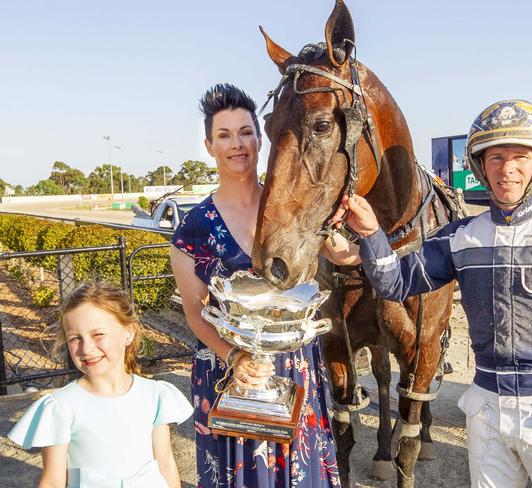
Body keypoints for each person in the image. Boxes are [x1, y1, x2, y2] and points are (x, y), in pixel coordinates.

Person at [331, 100, 532, 487]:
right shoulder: (460, 238)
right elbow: (393, 283)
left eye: (520, 156)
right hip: (485, 411)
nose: (507, 169)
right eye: (495, 157)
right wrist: (369, 234)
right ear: (480, 166)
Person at [169, 83, 341, 487]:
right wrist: (235, 359)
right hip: (230, 371)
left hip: (294, 366)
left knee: (301, 471)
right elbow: (195, 313)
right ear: (209, 146)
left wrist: (357, 236)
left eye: (245, 132)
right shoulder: (192, 229)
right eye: (224, 135)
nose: (237, 144)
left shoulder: (294, 208)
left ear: (260, 139)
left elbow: (342, 255)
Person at [8, 281, 193, 488]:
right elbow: (53, 481)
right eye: (75, 338)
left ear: (128, 333)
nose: (86, 349)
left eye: (98, 335)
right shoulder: (60, 407)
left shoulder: (155, 395)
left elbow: (165, 463)